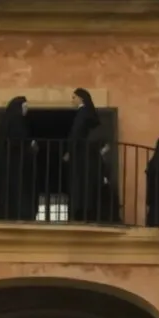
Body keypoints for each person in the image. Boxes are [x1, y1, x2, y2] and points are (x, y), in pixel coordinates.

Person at [0, 96, 37, 221]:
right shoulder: (15, 121)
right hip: (15, 164)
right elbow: (17, 140)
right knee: (16, 190)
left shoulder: (13, 121)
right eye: (25, 107)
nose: (26, 110)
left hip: (16, 164)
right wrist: (30, 144)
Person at [65, 87, 103, 222]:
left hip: (81, 154)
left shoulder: (83, 113)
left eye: (74, 97)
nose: (72, 100)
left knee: (80, 183)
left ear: (81, 98)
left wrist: (70, 150)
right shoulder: (89, 113)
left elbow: (76, 133)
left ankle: (80, 212)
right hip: (86, 155)